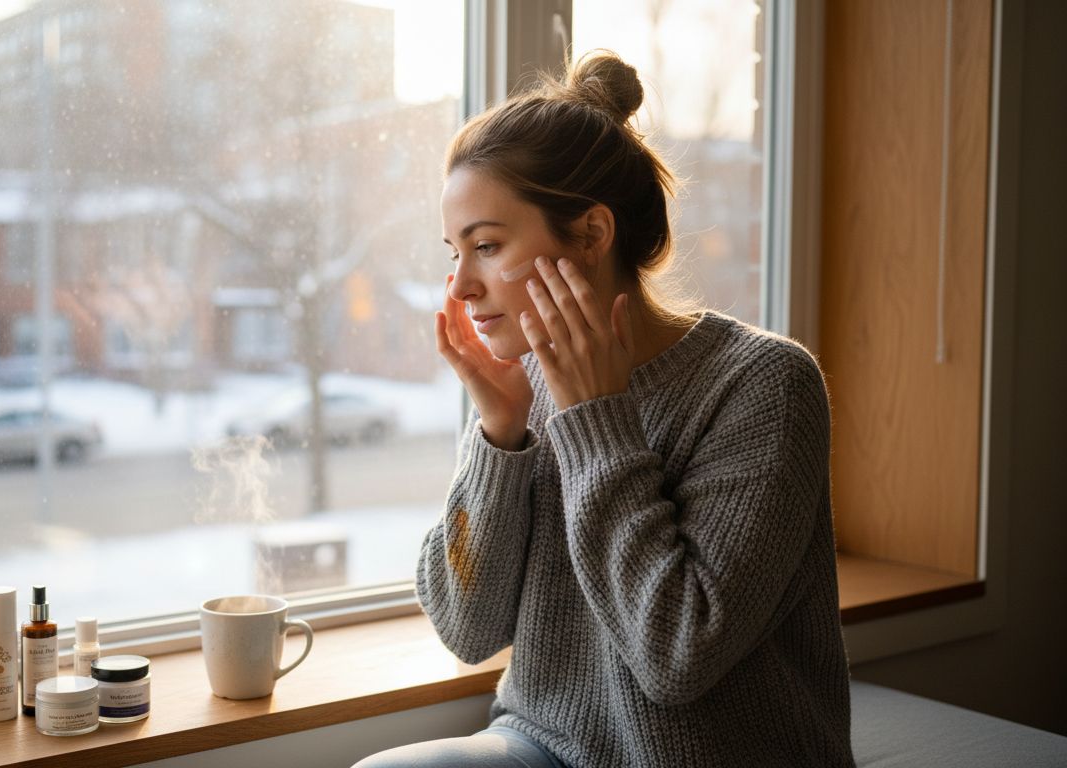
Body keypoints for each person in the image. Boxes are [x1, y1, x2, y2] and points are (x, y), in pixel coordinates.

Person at [353, 50, 854, 768]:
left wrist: (594, 415)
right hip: (543, 745)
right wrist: (499, 436)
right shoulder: (526, 382)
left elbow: (678, 656)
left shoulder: (765, 384)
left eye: (487, 247)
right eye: (453, 253)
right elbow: (466, 626)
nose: (460, 285)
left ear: (590, 236)